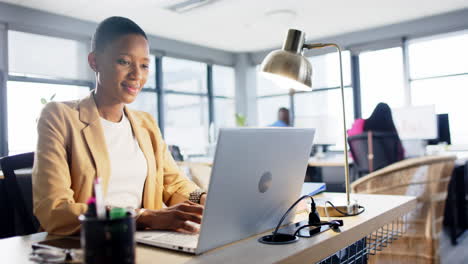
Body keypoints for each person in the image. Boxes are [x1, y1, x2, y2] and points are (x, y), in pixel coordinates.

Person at [32, 17, 205, 236]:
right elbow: (55, 209)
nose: (137, 75)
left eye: (144, 65)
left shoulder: (146, 124)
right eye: (124, 61)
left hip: (145, 242)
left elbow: (175, 185)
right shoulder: (59, 116)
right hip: (86, 244)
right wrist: (142, 216)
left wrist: (201, 198)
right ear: (94, 62)